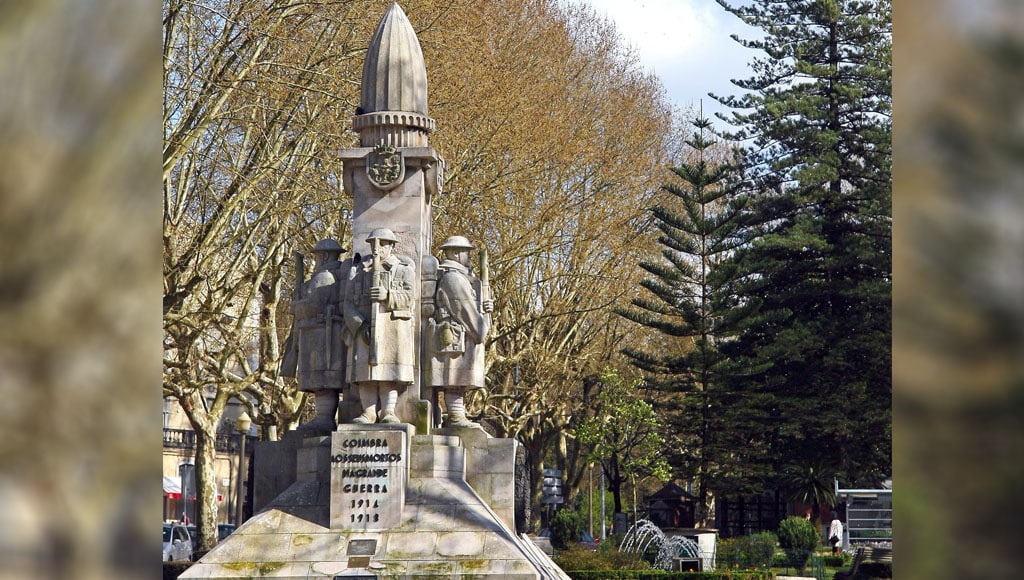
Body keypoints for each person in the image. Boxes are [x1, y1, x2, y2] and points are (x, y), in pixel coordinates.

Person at [343, 228, 416, 424]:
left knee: (388, 373)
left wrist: (388, 296)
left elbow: (410, 298)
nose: (377, 248)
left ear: (391, 246)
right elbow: (348, 303)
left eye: (383, 243)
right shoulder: (358, 272)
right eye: (373, 243)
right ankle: (368, 412)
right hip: (364, 328)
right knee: (365, 372)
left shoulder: (403, 269)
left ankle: (388, 411)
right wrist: (359, 325)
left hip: (392, 329)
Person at [280, 239, 348, 432]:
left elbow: (312, 306)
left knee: (322, 380)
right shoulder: (335, 275)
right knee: (324, 380)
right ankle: (324, 417)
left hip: (320, 336)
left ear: (324, 256)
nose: (315, 261)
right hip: (323, 334)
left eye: (317, 256)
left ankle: (324, 418)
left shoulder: (323, 277)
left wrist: (296, 306)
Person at [429, 236, 493, 428]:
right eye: (466, 252)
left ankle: (457, 414)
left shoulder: (461, 277)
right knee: (454, 377)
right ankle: (455, 416)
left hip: (459, 335)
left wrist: (486, 310)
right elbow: (466, 311)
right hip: (456, 336)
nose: (469, 257)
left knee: (458, 378)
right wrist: (481, 326)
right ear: (455, 253)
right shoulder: (454, 278)